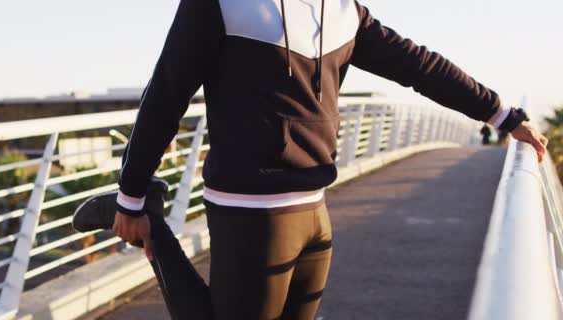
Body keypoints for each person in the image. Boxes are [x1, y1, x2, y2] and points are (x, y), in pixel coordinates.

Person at [110, 0, 548, 319]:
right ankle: (149, 216)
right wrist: (129, 195)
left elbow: (419, 67)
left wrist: (504, 115)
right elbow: (168, 93)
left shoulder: (339, 11)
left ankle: (149, 215)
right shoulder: (234, 5)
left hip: (299, 213)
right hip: (268, 214)